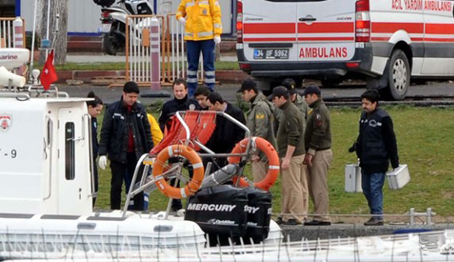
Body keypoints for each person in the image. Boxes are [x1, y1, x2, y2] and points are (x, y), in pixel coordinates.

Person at [98, 82, 153, 210]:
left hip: (136, 154)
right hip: (118, 154)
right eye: (130, 97)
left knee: (138, 185)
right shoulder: (112, 110)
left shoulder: (140, 109)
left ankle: (139, 211)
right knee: (116, 185)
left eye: (135, 97)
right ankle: (115, 211)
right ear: (123, 94)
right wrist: (102, 153)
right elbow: (105, 132)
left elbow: (147, 132)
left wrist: (151, 153)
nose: (132, 100)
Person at [351, 90, 399, 226]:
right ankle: (374, 213)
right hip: (366, 160)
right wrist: (356, 148)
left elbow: (391, 140)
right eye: (363, 103)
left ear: (375, 103)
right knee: (366, 188)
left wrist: (395, 162)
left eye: (367, 103)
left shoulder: (383, 118)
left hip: (379, 160)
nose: (364, 106)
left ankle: (378, 216)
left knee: (375, 187)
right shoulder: (363, 116)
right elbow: (362, 135)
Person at [158, 78, 199, 212]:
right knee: (174, 174)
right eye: (176, 91)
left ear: (186, 90)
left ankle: (193, 203)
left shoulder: (194, 104)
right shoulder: (168, 106)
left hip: (191, 146)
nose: (179, 93)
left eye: (181, 91)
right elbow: (161, 123)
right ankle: (175, 204)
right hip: (174, 146)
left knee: (194, 174)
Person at [270, 86, 307, 225]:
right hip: (291, 154)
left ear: (281, 98)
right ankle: (287, 214)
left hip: (292, 155)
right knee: (288, 186)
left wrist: (287, 157)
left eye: (275, 99)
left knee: (293, 186)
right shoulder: (287, 110)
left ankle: (296, 216)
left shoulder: (290, 112)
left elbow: (294, 136)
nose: (273, 101)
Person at [175, 0, 222, 97]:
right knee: (192, 66)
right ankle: (191, 92)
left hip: (207, 38)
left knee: (208, 65)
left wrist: (217, 33)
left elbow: (216, 15)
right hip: (191, 38)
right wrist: (180, 18)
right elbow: (179, 11)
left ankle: (210, 91)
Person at [303, 85, 333, 226]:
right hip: (318, 151)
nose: (305, 99)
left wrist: (311, 151)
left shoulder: (319, 111)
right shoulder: (316, 110)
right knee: (314, 185)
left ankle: (321, 216)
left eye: (307, 96)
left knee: (318, 185)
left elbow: (319, 131)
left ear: (314, 96)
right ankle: (319, 214)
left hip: (320, 152)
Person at [237, 79, 276, 182]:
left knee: (260, 184)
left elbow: (261, 131)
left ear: (251, 91)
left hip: (261, 155)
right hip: (262, 153)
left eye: (244, 92)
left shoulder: (260, 107)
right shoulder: (257, 105)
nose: (242, 96)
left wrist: (255, 152)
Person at [205, 91, 246, 171]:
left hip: (230, 151)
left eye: (210, 107)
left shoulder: (236, 113)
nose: (209, 110)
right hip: (216, 152)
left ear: (217, 104)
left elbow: (241, 134)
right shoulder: (215, 114)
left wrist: (234, 152)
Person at [86, 91, 103, 207]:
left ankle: (92, 204)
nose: (99, 113)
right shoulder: (83, 119)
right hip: (86, 157)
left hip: (93, 156)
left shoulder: (93, 120)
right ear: (89, 107)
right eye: (97, 110)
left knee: (95, 184)